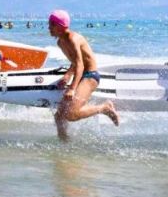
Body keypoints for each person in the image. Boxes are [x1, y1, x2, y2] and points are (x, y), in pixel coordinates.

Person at [48, 9, 119, 141]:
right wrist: (68, 75)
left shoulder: (73, 39)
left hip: (90, 76)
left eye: (52, 24)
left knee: (71, 114)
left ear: (61, 26)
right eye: (49, 24)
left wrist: (72, 88)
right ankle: (64, 142)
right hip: (80, 76)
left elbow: (80, 64)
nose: (49, 27)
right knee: (59, 116)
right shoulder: (60, 42)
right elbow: (74, 62)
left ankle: (104, 108)